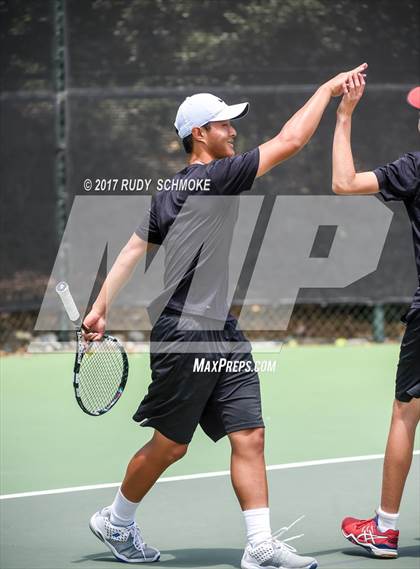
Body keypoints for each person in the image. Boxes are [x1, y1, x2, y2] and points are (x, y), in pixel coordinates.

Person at [84, 62, 367, 569]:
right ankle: (116, 520)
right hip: (185, 333)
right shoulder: (214, 177)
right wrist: (326, 91)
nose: (233, 130)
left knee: (249, 433)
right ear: (200, 134)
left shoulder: (169, 192)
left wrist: (100, 306)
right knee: (171, 447)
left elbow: (132, 250)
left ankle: (259, 545)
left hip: (223, 332)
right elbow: (291, 140)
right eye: (224, 124)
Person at [332, 77, 420, 558]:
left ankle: (383, 530)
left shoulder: (415, 168)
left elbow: (344, 183)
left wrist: (344, 115)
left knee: (406, 412)